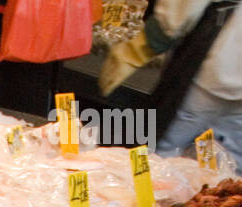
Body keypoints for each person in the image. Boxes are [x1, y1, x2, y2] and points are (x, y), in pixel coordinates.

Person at [99, 0, 242, 165]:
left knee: (163, 149)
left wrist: (142, 45)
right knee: (228, 164)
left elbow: (184, 6)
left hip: (215, 72)